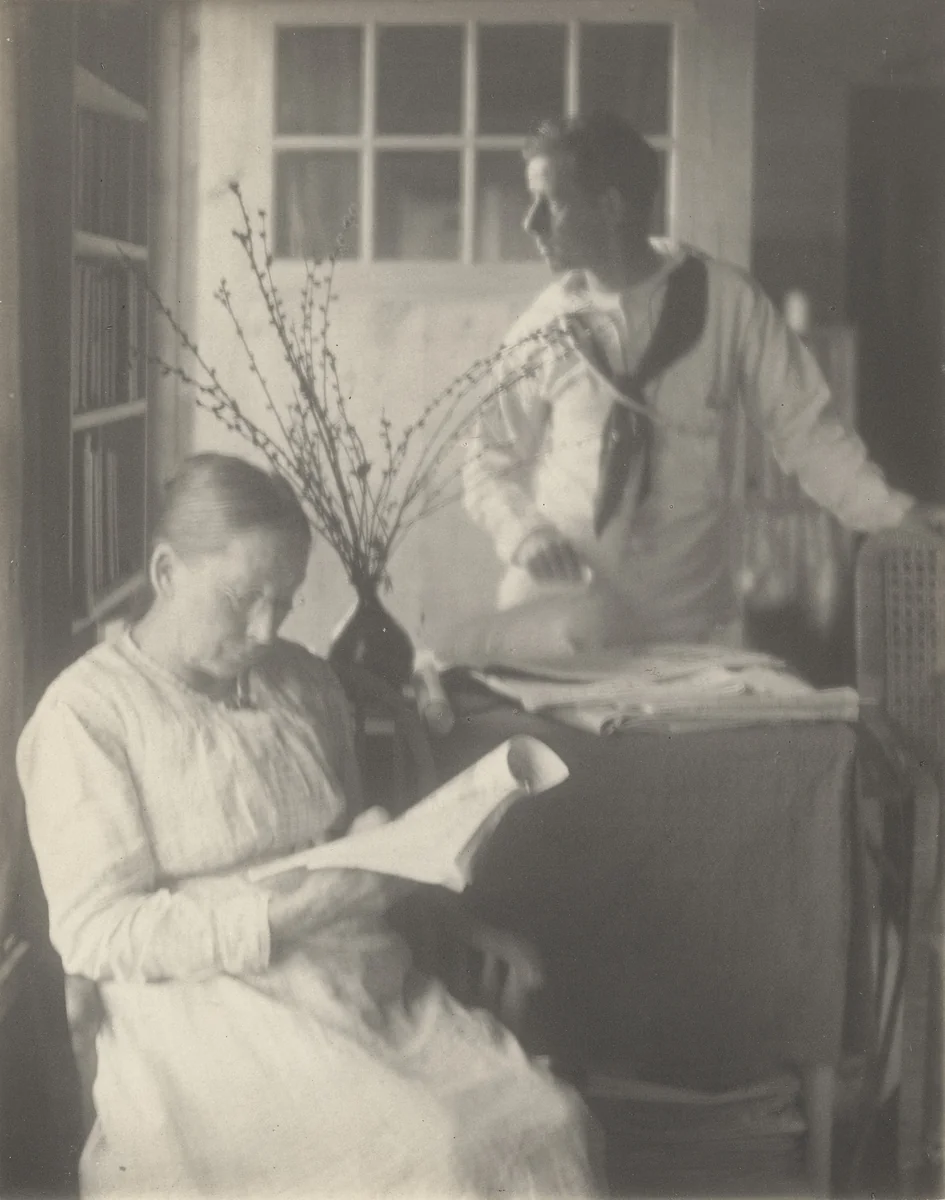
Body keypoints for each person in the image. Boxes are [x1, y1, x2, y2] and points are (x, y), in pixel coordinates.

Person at [17, 453, 599, 1197]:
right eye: (241, 598)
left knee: (546, 1119)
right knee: (430, 1154)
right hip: (205, 1012)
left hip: (353, 975)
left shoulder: (302, 682)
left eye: (284, 602)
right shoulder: (88, 717)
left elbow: (342, 843)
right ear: (166, 572)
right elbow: (97, 931)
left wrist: (386, 843)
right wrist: (280, 913)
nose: (265, 628)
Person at [463, 111, 945, 648]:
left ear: (612, 206)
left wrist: (893, 515)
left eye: (550, 203)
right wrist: (525, 533)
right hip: (559, 617)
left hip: (685, 623)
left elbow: (808, 434)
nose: (530, 223)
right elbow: (485, 463)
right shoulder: (544, 326)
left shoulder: (727, 303)